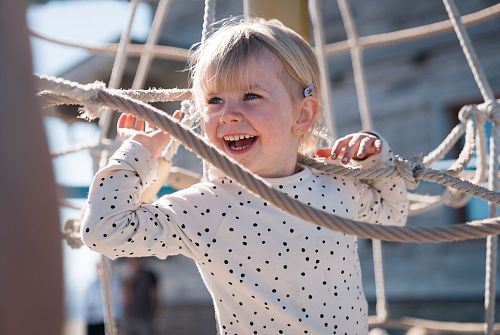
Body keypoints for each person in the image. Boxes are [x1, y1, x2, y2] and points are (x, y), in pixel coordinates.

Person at [81, 17, 408, 334]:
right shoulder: (204, 208)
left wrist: (373, 160)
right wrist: (138, 152)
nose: (229, 115)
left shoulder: (336, 185)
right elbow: (103, 232)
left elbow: (393, 214)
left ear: (304, 114)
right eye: (214, 100)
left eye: (251, 96)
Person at [121, 258, 159, 335]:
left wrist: (154, 312)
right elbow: (125, 298)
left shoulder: (149, 275)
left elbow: (154, 296)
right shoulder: (127, 277)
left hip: (145, 316)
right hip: (130, 316)